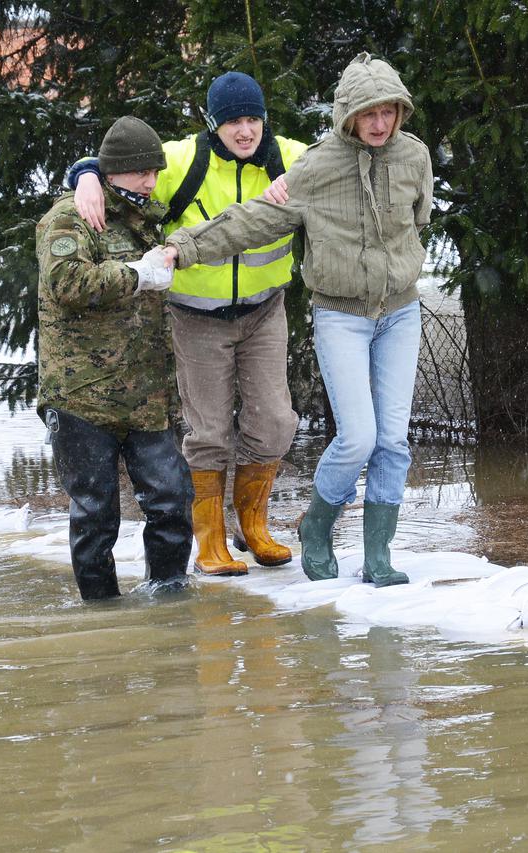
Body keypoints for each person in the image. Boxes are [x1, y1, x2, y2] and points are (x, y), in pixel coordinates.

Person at [163, 53, 433, 588]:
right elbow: (255, 219)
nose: (380, 123)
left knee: (393, 442)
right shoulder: (314, 165)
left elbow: (418, 216)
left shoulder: (414, 157)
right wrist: (185, 247)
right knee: (356, 437)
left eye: (389, 112)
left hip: (400, 311)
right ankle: (314, 526)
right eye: (368, 112)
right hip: (340, 315)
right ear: (347, 114)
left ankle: (378, 554)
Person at [64, 72, 308, 578]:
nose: (245, 132)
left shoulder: (289, 157)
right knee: (210, 430)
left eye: (253, 120)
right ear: (212, 124)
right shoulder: (182, 160)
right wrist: (86, 174)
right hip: (196, 317)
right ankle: (210, 540)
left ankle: (253, 526)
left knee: (276, 421)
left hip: (265, 310)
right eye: (233, 122)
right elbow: (117, 167)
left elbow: (343, 165)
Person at [35, 116, 193, 600]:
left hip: (146, 397)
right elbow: (66, 283)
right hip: (82, 397)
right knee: (95, 515)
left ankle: (168, 602)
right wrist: (135, 275)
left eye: (154, 170)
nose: (150, 180)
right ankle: (102, 618)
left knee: (170, 502)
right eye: (141, 171)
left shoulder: (147, 218)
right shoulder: (70, 217)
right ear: (114, 171)